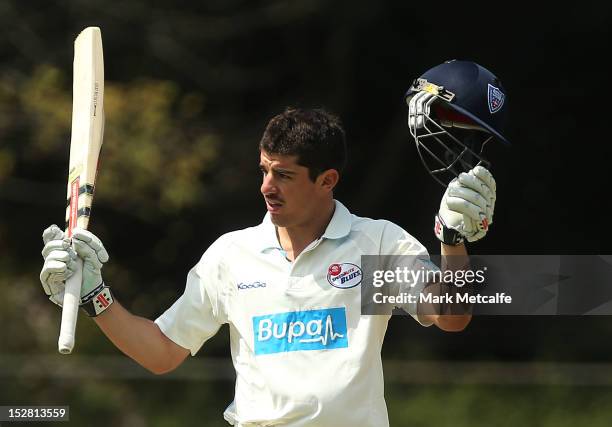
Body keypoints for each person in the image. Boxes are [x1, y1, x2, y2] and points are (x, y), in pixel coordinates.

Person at [40, 61, 506, 427]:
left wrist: (451, 243)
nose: (267, 186)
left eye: (283, 175)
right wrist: (93, 296)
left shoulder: (374, 243)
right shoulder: (231, 256)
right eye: (264, 170)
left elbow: (451, 316)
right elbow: (162, 353)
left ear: (327, 181)